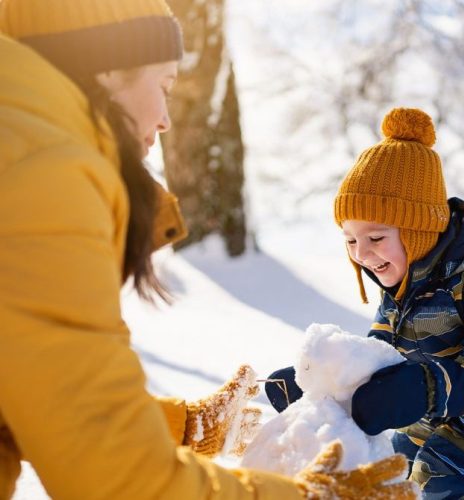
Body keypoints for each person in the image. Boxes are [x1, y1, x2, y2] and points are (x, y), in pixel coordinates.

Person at [0, 1, 419, 498]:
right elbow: (118, 478)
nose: (164, 121)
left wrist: (184, 425)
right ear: (107, 68)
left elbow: (44, 400)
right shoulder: (44, 177)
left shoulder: (20, 156)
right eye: (164, 87)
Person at [265, 107, 464, 498]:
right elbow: (381, 352)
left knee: (438, 482)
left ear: (418, 229)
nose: (363, 254)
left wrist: (424, 389)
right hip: (439, 420)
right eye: (351, 241)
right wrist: (327, 386)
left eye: (375, 239)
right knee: (382, 476)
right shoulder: (407, 266)